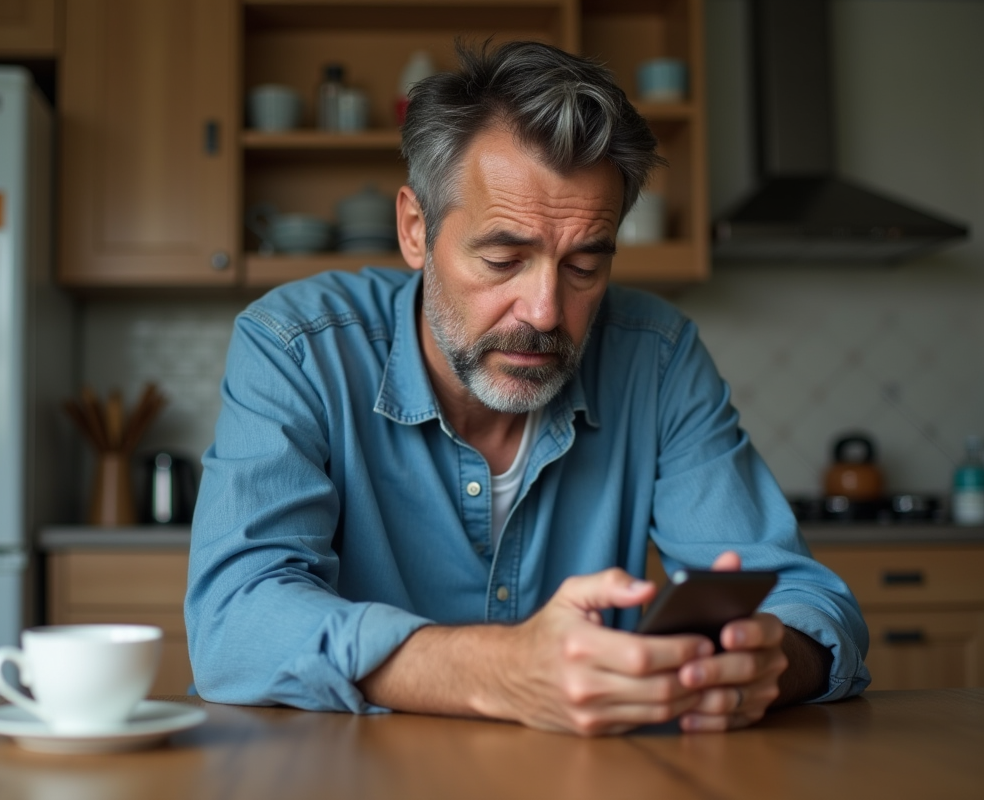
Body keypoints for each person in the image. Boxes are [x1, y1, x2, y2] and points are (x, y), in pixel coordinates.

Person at [185, 40, 870, 736]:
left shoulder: (657, 358)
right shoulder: (297, 348)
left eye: (583, 268)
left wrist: (768, 663)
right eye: (503, 259)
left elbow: (808, 602)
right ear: (416, 230)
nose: (545, 313)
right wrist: (495, 671)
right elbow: (234, 620)